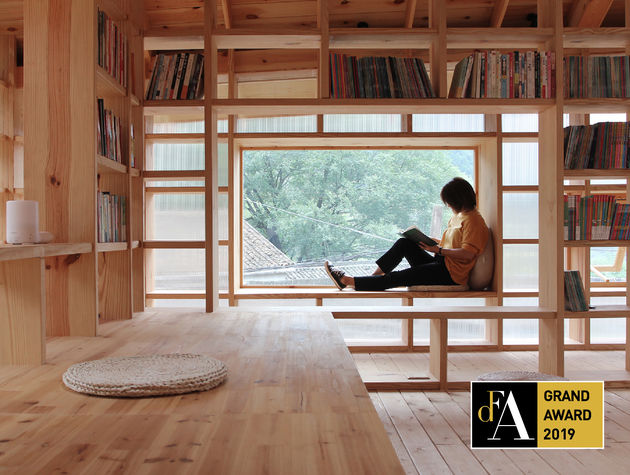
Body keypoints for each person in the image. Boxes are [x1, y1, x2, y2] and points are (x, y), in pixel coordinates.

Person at [324, 177, 489, 291]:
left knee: (399, 277)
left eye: (449, 202)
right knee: (404, 244)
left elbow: (468, 254)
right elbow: (453, 243)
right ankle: (372, 278)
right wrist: (431, 241)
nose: (448, 206)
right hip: (441, 263)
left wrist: (437, 250)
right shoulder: (459, 215)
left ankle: (347, 281)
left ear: (458, 200)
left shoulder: (474, 221)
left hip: (450, 275)